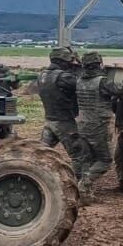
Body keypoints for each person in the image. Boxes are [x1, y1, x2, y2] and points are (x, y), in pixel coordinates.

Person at [74, 52, 123, 194]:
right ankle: (84, 184)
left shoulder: (79, 80)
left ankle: (81, 190)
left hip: (82, 125)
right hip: (98, 126)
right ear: (99, 64)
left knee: (87, 159)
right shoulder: (101, 82)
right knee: (105, 160)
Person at [38, 46, 88, 177]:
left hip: (49, 120)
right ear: (62, 61)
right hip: (64, 122)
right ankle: (80, 185)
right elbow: (83, 84)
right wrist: (80, 66)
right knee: (79, 155)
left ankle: (37, 175)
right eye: (68, 61)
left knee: (41, 153)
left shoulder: (43, 75)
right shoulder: (63, 77)